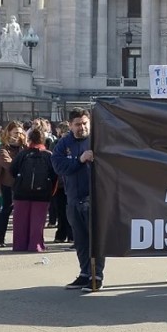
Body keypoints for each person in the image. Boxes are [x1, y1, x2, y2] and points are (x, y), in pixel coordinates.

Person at [52, 108, 105, 293]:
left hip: (94, 198)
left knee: (95, 240)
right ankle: (84, 273)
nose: (82, 127)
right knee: (81, 240)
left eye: (84, 123)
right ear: (70, 125)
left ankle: (96, 276)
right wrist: (79, 160)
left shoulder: (98, 140)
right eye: (77, 124)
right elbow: (58, 165)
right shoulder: (63, 143)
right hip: (73, 198)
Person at [9, 129, 56, 252]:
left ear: (29, 139)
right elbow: (54, 173)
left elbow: (12, 170)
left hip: (21, 192)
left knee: (20, 220)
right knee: (38, 221)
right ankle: (36, 245)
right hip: (42, 193)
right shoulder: (48, 155)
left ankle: (19, 245)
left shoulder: (23, 154)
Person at [0, 121, 26, 248]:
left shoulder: (24, 146)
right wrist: (22, 167)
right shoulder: (3, 147)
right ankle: (0, 237)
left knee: (22, 211)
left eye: (20, 133)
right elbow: (6, 162)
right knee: (6, 209)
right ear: (9, 132)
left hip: (23, 183)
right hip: (8, 183)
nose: (18, 135)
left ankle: (21, 238)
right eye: (15, 133)